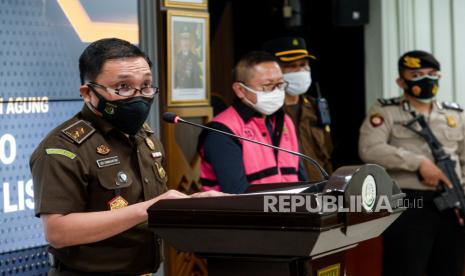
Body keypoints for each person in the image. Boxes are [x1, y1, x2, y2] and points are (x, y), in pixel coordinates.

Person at [30, 38, 220, 275]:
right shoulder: (64, 147)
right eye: (123, 87)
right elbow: (58, 232)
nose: (139, 97)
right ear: (88, 93)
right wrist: (148, 208)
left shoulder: (145, 137)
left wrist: (195, 206)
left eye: (147, 85)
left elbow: (150, 206)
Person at [359, 50, 465, 276]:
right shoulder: (386, 111)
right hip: (409, 203)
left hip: (452, 205)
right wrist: (418, 163)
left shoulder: (453, 113)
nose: (426, 79)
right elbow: (369, 148)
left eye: (431, 73)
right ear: (401, 80)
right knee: (406, 268)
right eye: (416, 74)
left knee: (449, 268)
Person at [198, 51, 306, 194]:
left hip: (289, 212)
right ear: (240, 90)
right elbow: (237, 195)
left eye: (280, 84)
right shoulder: (222, 131)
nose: (277, 91)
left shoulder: (285, 121)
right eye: (267, 85)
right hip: (245, 214)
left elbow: (303, 180)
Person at [263, 37, 333, 180]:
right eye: (291, 66)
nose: (300, 70)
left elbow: (326, 155)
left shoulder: (315, 107)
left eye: (303, 64)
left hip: (319, 188)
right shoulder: (267, 110)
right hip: (287, 191)